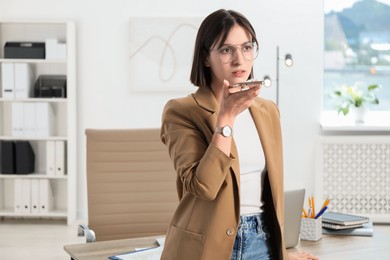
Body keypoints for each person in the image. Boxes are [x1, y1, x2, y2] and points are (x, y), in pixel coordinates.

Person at [160, 9, 318, 260]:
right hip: (206, 247)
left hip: (262, 242)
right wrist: (226, 118)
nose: (239, 60)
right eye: (225, 50)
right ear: (205, 58)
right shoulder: (181, 111)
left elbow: (272, 192)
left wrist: (282, 252)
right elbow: (204, 187)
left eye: (246, 47)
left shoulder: (267, 111)